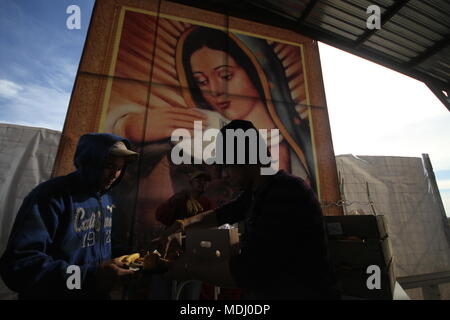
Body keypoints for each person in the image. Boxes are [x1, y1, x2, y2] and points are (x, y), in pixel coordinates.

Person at [160, 120, 340, 300]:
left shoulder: (286, 193)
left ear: (245, 158)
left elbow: (249, 272)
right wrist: (181, 226)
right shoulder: (260, 192)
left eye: (227, 165)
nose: (224, 175)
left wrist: (187, 269)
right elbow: (221, 215)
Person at [0, 133, 139, 299]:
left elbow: (104, 248)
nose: (114, 174)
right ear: (89, 162)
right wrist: (87, 277)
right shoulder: (50, 196)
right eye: (108, 165)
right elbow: (19, 267)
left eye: (119, 168)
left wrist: (137, 259)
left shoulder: (106, 198)